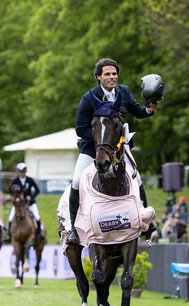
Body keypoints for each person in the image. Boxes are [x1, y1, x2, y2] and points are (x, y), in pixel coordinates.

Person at [67, 58, 161, 244]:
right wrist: (101, 141)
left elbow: (138, 111)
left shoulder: (123, 92)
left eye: (114, 73)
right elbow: (80, 129)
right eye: (107, 74)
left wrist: (149, 109)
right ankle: (73, 229)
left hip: (119, 146)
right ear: (98, 77)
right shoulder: (89, 98)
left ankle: (145, 222)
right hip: (92, 148)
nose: (112, 77)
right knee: (77, 181)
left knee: (137, 177)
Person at [8, 163, 44, 240]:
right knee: (10, 217)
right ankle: (9, 235)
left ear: (25, 171)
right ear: (18, 172)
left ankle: (39, 233)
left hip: (30, 203)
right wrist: (16, 197)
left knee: (37, 216)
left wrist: (31, 197)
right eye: (20, 171)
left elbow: (37, 190)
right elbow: (11, 191)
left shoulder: (30, 180)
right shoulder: (15, 181)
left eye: (23, 171)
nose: (22, 173)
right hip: (18, 205)